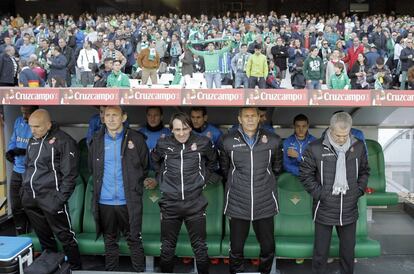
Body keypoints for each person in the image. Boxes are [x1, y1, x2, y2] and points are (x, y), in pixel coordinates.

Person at [299, 112, 369, 274]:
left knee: (348, 252)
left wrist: (358, 191)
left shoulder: (358, 147)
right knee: (320, 253)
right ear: (330, 129)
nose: (342, 139)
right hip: (324, 207)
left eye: (345, 135)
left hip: (349, 207)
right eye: (338, 135)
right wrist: (321, 194)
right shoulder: (315, 148)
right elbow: (305, 175)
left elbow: (365, 171)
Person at [218, 107, 283, 274]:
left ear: (259, 118)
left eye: (253, 116)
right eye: (246, 116)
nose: (250, 119)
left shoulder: (273, 140)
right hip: (238, 202)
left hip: (265, 202)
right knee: (236, 249)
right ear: (239, 119)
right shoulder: (227, 141)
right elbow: (225, 169)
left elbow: (276, 168)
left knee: (268, 247)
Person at [151, 112, 217, 274]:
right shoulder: (163, 144)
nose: (181, 133)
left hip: (194, 203)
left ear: (190, 127)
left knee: (200, 247)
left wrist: (203, 178)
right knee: (167, 248)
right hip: (170, 203)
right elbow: (155, 161)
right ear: (171, 129)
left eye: (185, 128)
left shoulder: (203, 142)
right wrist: (162, 179)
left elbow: (213, 162)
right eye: (177, 129)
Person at [88, 106, 148, 272]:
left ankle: (139, 271)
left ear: (124, 117)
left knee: (134, 240)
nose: (111, 118)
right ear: (103, 118)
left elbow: (144, 167)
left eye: (115, 115)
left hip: (128, 200)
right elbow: (92, 168)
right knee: (109, 240)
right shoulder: (96, 139)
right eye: (107, 115)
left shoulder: (136, 139)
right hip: (104, 201)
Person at [21, 109, 82, 270]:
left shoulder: (64, 141)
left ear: (48, 125)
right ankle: (52, 266)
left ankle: (75, 268)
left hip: (52, 199)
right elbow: (28, 167)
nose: (33, 130)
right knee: (43, 237)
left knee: (65, 236)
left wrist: (59, 199)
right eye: (30, 126)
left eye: (37, 127)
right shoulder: (32, 140)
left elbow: (70, 175)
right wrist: (24, 191)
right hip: (31, 199)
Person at [6, 106, 38, 235]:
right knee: (15, 206)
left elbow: (39, 148)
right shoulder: (19, 121)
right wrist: (10, 152)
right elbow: (14, 140)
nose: (25, 116)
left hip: (31, 172)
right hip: (17, 170)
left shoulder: (37, 125)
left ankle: (34, 236)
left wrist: (23, 152)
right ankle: (20, 234)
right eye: (23, 112)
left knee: (30, 206)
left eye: (28, 113)